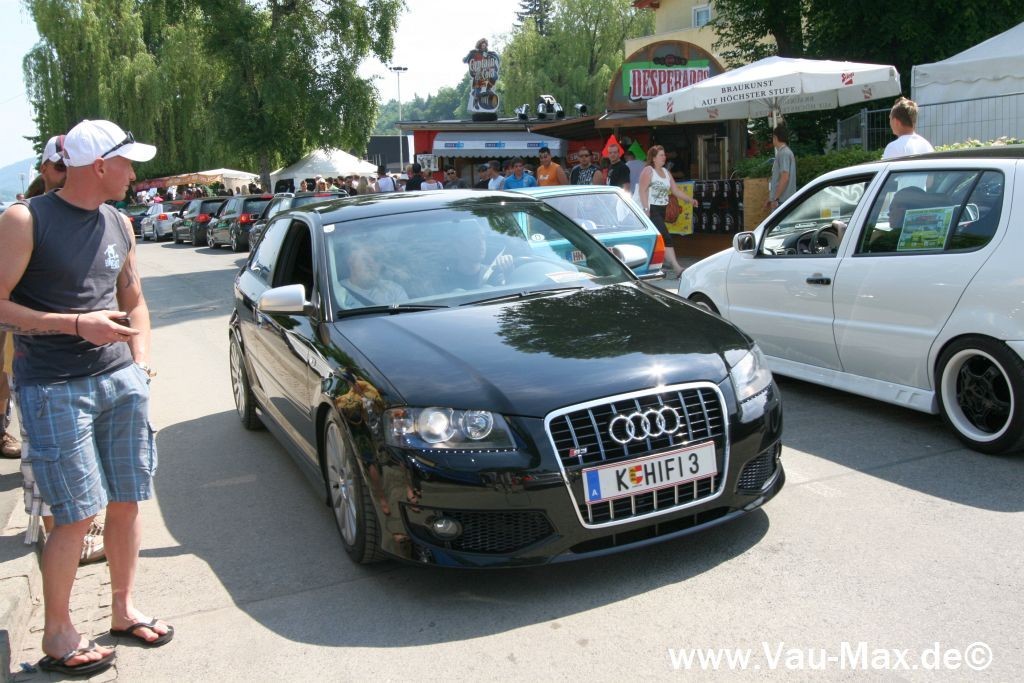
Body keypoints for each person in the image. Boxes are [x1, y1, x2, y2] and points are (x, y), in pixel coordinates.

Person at [0, 119, 173, 677]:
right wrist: (75, 324)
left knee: (127, 498)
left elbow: (134, 299)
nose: (134, 175)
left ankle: (123, 610)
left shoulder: (120, 222)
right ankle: (58, 634)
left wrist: (139, 360)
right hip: (54, 388)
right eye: (127, 163)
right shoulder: (25, 219)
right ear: (99, 166)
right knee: (74, 515)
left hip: (121, 380)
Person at [638, 144, 699, 279]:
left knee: (656, 239)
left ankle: (653, 267)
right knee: (666, 237)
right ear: (653, 158)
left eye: (664, 155)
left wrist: (690, 200)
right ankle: (677, 268)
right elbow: (642, 190)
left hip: (662, 208)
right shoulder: (648, 171)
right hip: (651, 208)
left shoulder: (666, 172)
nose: (664, 157)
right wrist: (646, 209)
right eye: (661, 155)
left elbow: (675, 190)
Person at [441, 221, 513, 290]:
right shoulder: (446, 280)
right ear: (458, 246)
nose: (480, 243)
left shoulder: (494, 274)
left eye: (482, 238)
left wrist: (508, 270)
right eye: (473, 238)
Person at [339, 242, 408, 306]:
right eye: (365, 259)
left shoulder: (394, 290)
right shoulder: (338, 292)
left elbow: (405, 313)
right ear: (351, 262)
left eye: (376, 259)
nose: (371, 264)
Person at [766, 125, 796, 211]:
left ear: (775, 137)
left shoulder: (784, 153)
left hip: (782, 201)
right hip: (783, 200)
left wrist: (775, 198)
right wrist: (771, 198)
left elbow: (784, 177)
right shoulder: (785, 152)